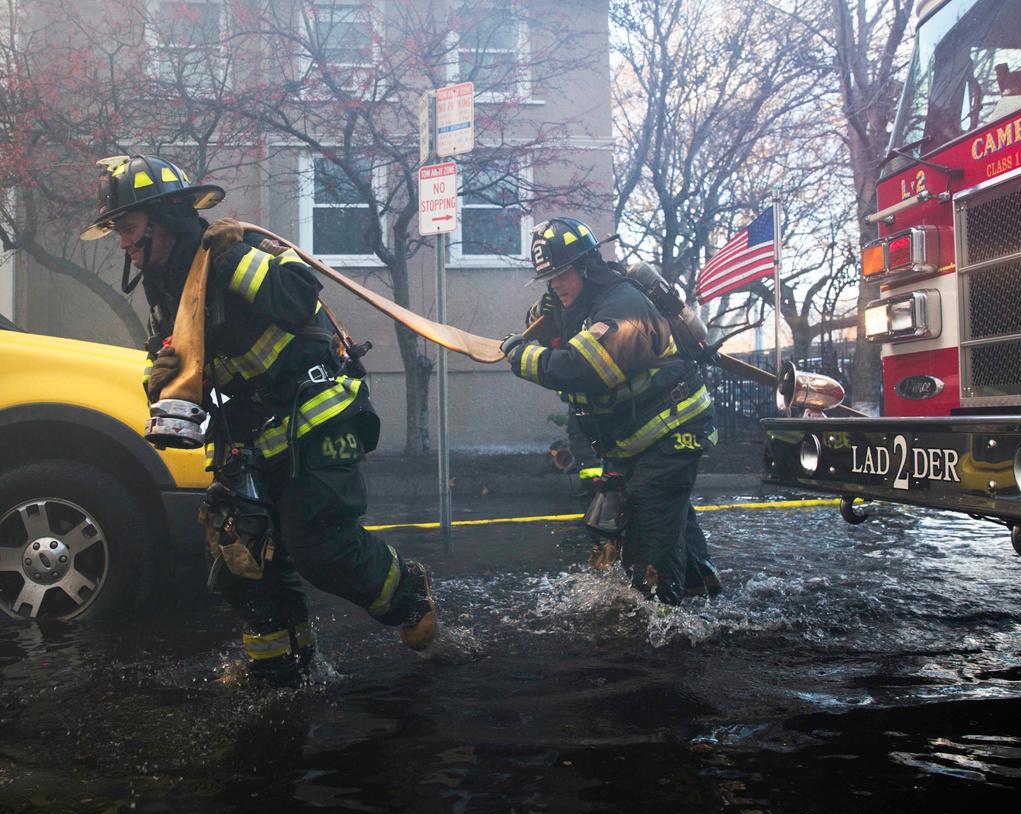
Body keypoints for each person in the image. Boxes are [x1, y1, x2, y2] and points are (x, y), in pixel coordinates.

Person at [80, 154, 436, 683]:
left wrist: (238, 260)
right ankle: (282, 668)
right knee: (241, 559)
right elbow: (174, 360)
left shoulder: (226, 251)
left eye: (128, 229)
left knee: (319, 547)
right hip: (245, 432)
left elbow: (298, 296)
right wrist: (163, 379)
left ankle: (409, 596)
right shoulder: (164, 283)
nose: (124, 244)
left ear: (164, 218)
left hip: (311, 416)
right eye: (118, 233)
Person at [502, 216, 721, 605]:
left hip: (673, 433)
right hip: (639, 439)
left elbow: (583, 368)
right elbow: (553, 326)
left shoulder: (625, 307)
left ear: (587, 266)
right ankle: (701, 591)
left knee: (647, 528)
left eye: (562, 274)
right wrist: (548, 316)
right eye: (549, 278)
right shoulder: (582, 302)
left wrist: (524, 357)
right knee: (665, 517)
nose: (555, 285)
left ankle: (662, 622)